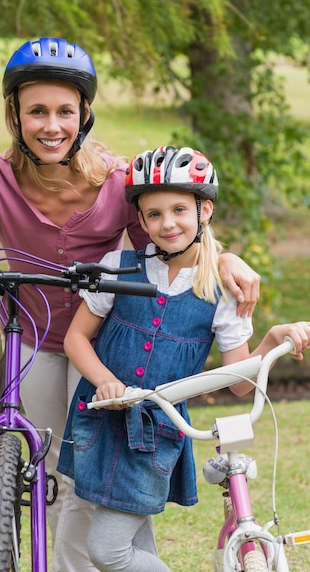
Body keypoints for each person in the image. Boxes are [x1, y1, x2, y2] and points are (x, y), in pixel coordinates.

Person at [0, 40, 260, 571]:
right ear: (15, 116)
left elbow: (170, 242)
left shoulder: (116, 180)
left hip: (106, 341)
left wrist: (228, 259)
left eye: (65, 111)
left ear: (84, 114)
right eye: (36, 110)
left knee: (90, 476)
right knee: (47, 472)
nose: (51, 125)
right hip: (34, 337)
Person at [57, 145, 310, 572]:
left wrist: (268, 341)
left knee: (108, 550)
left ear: (204, 210)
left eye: (179, 209)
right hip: (99, 421)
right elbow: (76, 339)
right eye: (153, 214)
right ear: (140, 220)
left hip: (154, 435)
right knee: (125, 538)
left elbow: (238, 382)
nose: (167, 223)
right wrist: (103, 379)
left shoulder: (221, 291)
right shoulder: (118, 267)